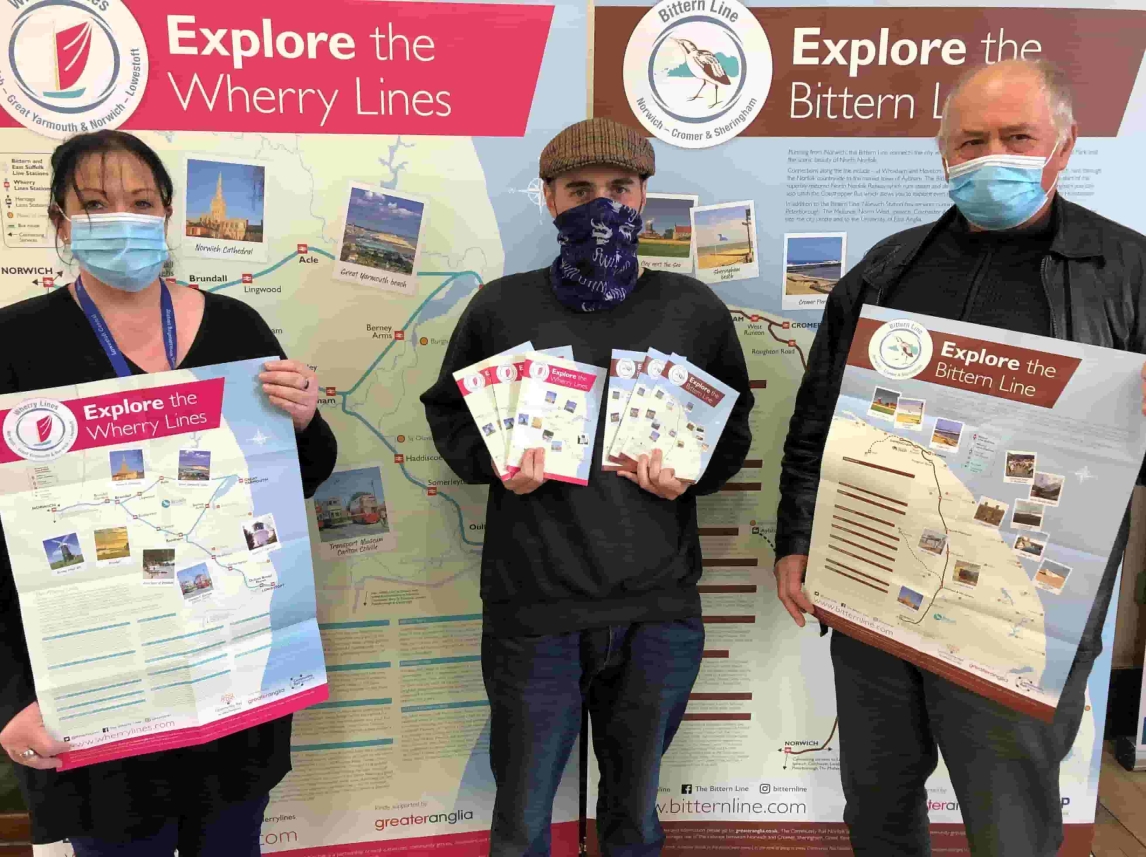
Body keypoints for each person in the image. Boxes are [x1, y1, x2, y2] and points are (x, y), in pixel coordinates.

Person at [774, 58, 1146, 857]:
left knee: (1009, 819)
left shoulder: (1130, 271)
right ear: (943, 154)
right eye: (970, 141)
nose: (991, 157)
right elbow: (817, 423)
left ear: (1065, 145)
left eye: (1017, 137)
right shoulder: (888, 267)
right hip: (874, 585)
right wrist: (797, 540)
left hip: (1024, 610)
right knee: (877, 799)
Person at [420, 117, 754, 857]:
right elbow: (451, 420)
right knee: (524, 820)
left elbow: (730, 433)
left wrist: (689, 476)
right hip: (533, 607)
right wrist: (496, 460)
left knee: (634, 819)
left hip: (658, 612)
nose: (601, 204)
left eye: (619, 188)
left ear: (644, 197)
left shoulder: (691, 308)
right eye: (580, 190)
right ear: (548, 199)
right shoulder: (500, 309)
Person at [0, 130, 338, 855]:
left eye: (140, 201)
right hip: (96, 685)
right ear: (60, 223)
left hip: (230, 679)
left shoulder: (237, 327)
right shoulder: (14, 342)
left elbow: (298, 476)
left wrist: (305, 420)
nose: (121, 216)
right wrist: (8, 697)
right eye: (94, 204)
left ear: (167, 214)